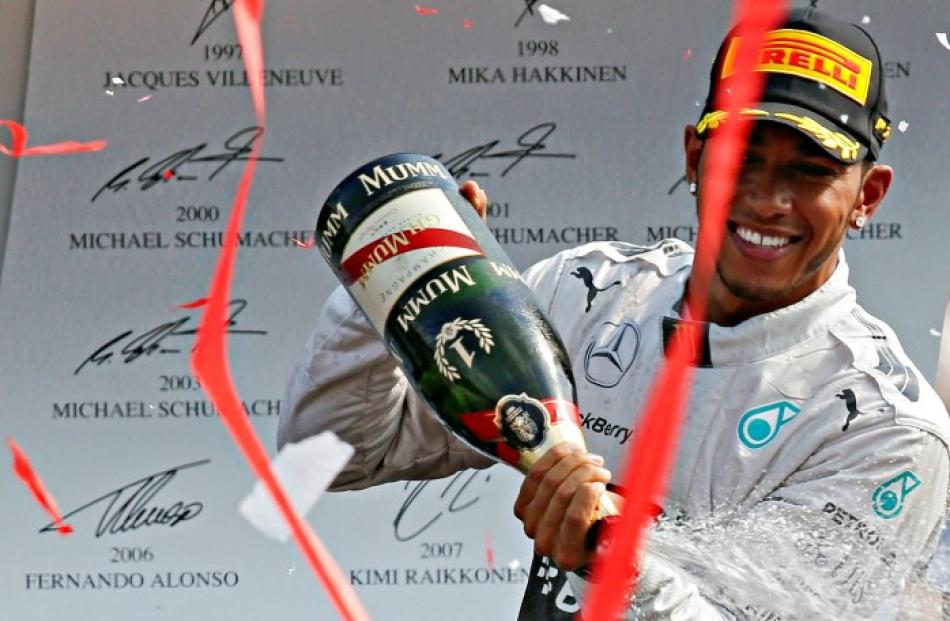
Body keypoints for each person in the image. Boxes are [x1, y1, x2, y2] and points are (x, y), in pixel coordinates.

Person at [279, 7, 950, 619]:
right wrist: (396, 284)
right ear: (694, 155)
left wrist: (613, 560)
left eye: (810, 170)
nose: (768, 198)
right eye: (741, 155)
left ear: (868, 196)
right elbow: (335, 456)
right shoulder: (589, 292)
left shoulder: (892, 432)